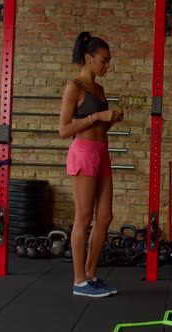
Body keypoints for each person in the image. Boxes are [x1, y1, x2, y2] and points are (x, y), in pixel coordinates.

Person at [59, 31, 123, 298]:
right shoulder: (75, 87)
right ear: (88, 58)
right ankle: (79, 281)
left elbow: (99, 125)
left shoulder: (99, 89)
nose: (107, 65)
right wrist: (98, 115)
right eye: (104, 60)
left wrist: (111, 120)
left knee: (105, 217)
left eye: (108, 61)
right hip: (83, 152)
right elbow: (63, 130)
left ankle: (91, 275)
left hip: (102, 152)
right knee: (83, 218)